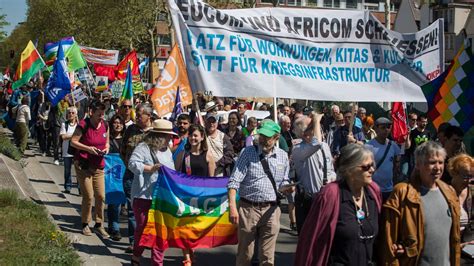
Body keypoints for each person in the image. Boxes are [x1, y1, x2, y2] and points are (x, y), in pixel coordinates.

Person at [294, 144, 382, 266]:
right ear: (349, 169)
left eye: (372, 165)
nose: (372, 170)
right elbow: (312, 238)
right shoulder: (331, 195)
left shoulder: (373, 192)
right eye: (366, 167)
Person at [380, 141, 460, 266]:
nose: (438, 168)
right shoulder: (402, 193)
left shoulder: (450, 192)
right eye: (432, 162)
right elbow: (388, 242)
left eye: (440, 162)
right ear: (417, 164)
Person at [228, 120, 293, 266]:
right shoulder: (248, 153)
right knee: (246, 254)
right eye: (261, 135)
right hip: (248, 208)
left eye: (267, 136)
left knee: (267, 256)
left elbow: (283, 181)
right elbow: (233, 182)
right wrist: (232, 207)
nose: (263, 139)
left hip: (272, 209)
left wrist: (288, 187)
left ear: (277, 138)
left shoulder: (283, 156)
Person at [128, 119, 177, 266]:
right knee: (143, 229)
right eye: (168, 136)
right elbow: (132, 164)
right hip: (143, 196)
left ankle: (157, 262)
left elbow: (172, 170)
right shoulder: (143, 147)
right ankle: (136, 255)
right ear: (159, 136)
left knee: (159, 231)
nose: (170, 138)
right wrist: (150, 168)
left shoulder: (167, 150)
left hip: (161, 197)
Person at [174, 124, 216, 266]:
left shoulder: (208, 156)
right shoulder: (183, 155)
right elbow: (176, 175)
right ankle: (186, 258)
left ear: (202, 137)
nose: (193, 138)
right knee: (184, 229)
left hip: (201, 199)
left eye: (196, 135)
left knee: (196, 230)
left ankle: (191, 251)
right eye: (191, 135)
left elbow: (212, 180)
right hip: (186, 198)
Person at [70, 101, 110, 238]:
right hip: (84, 165)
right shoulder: (83, 125)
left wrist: (106, 149)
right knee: (88, 195)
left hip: (99, 165)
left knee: (101, 196)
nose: (101, 117)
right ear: (92, 113)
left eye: (103, 114)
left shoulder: (105, 125)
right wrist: (89, 149)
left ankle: (99, 224)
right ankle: (85, 223)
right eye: (99, 114)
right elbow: (73, 141)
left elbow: (107, 142)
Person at [292, 112, 336, 234]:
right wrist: (316, 120)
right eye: (313, 126)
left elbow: (330, 169)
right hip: (308, 200)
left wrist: (332, 179)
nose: (318, 128)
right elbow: (315, 144)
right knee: (307, 236)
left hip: (325, 196)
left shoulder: (325, 146)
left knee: (324, 235)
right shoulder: (298, 149)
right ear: (304, 134)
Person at [120, 103, 153, 253]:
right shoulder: (131, 129)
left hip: (149, 178)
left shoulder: (155, 132)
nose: (137, 117)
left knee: (147, 209)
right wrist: (130, 165)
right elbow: (122, 149)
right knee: (133, 208)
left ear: (149, 116)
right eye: (137, 114)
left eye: (140, 115)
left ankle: (147, 239)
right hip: (131, 174)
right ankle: (134, 242)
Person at [365, 117, 401, 201]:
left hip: (389, 190)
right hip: (373, 189)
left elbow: (396, 165)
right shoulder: (368, 146)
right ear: (376, 129)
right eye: (383, 127)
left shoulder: (393, 146)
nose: (386, 130)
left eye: (388, 127)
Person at [107, 114, 126, 241]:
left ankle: (111, 225)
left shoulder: (126, 140)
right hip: (110, 174)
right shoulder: (107, 140)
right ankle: (115, 227)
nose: (118, 125)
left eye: (120, 123)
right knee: (114, 202)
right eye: (115, 122)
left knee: (118, 201)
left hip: (123, 175)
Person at [447, 153, 474, 245]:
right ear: (454, 173)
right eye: (466, 176)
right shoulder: (444, 192)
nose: (469, 181)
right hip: (450, 245)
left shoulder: (472, 192)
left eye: (471, 177)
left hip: (469, 244)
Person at [59, 106, 78, 193]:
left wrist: (69, 136)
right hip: (67, 151)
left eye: (72, 113)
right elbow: (63, 136)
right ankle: (67, 186)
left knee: (79, 171)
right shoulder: (64, 124)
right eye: (69, 113)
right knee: (67, 170)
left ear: (76, 114)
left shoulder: (79, 126)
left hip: (77, 151)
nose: (70, 114)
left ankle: (80, 189)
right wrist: (74, 136)